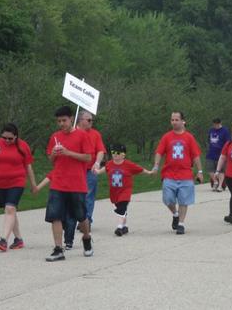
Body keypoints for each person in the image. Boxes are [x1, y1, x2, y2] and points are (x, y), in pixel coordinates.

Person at [44, 106, 93, 261]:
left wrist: (68, 152)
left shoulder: (82, 135)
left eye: (64, 120)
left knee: (81, 216)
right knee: (55, 215)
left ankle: (86, 237)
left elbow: (87, 158)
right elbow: (51, 161)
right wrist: (53, 154)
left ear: (71, 119)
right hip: (58, 182)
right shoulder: (55, 137)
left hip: (77, 183)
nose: (61, 124)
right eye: (59, 121)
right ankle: (58, 249)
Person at [0, 123, 37, 251]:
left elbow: (28, 166)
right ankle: (18, 239)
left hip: (17, 182)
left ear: (16, 136)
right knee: (11, 211)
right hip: (0, 183)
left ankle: (3, 240)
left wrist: (33, 184)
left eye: (10, 138)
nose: (7, 141)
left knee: (9, 208)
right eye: (5, 138)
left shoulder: (22, 146)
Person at [152, 112, 203, 235]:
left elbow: (196, 155)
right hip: (169, 174)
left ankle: (181, 224)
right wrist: (156, 166)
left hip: (185, 174)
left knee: (183, 200)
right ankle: (175, 214)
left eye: (176, 120)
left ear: (182, 121)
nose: (174, 122)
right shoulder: (167, 137)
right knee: (168, 199)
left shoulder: (189, 137)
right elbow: (159, 152)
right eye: (172, 120)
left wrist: (200, 171)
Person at [64, 110, 106, 249]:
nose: (91, 123)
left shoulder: (95, 134)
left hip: (90, 170)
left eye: (92, 120)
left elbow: (100, 150)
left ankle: (86, 221)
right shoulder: (71, 133)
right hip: (74, 170)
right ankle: (71, 222)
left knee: (88, 196)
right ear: (80, 120)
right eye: (88, 120)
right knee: (72, 197)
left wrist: (97, 163)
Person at [96, 144, 152, 236]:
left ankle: (119, 227)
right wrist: (98, 172)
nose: (115, 155)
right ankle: (125, 226)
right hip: (114, 191)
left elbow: (140, 169)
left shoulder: (128, 164)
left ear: (123, 155)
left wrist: (149, 173)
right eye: (113, 152)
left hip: (125, 190)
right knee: (121, 208)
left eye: (118, 153)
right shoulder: (109, 164)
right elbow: (105, 169)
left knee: (122, 207)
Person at [205, 118, 230, 192]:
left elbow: (228, 141)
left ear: (220, 123)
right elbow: (208, 139)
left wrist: (226, 151)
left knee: (221, 170)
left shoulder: (225, 131)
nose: (215, 125)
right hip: (211, 152)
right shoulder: (211, 130)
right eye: (214, 124)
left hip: (221, 153)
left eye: (217, 124)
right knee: (210, 169)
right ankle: (215, 181)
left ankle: (220, 186)